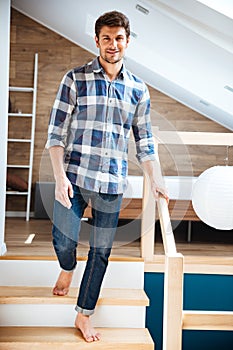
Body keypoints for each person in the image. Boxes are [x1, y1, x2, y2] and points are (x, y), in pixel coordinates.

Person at [46, 10, 168, 343]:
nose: (112, 44)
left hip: (112, 183)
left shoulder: (138, 90)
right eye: (106, 38)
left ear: (127, 41)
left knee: (100, 252)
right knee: (63, 240)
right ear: (97, 40)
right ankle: (68, 267)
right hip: (72, 176)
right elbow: (56, 133)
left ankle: (83, 316)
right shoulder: (75, 78)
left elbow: (144, 141)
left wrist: (155, 179)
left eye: (118, 38)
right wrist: (59, 177)